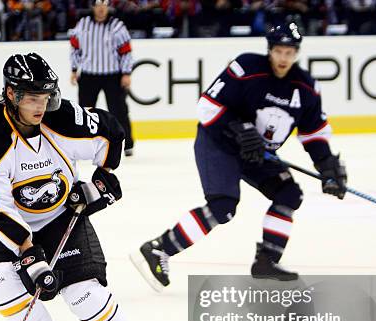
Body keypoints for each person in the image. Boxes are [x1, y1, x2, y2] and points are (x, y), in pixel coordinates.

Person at [0, 52, 160, 321]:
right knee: (0, 284)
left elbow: (112, 132)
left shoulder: (62, 117)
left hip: (58, 218)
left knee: (83, 295)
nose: (42, 105)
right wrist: (28, 252)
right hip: (0, 225)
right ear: (11, 94)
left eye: (46, 96)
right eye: (33, 97)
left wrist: (102, 179)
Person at [131, 23, 347, 290]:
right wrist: (240, 128)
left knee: (289, 194)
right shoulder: (247, 68)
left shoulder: (306, 88)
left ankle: (266, 262)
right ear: (270, 49)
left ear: (296, 53)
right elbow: (207, 106)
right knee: (223, 206)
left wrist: (328, 167)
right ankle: (159, 248)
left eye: (289, 52)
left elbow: (313, 133)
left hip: (257, 154)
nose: (283, 58)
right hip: (219, 143)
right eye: (279, 51)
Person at [69, 0, 135, 157]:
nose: (101, 9)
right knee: (84, 112)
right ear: (93, 7)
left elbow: (126, 51)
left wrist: (126, 73)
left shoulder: (117, 26)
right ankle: (83, 143)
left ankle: (127, 144)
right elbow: (75, 47)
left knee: (118, 111)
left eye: (104, 5)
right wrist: (74, 69)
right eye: (98, 5)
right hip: (89, 75)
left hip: (112, 75)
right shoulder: (83, 24)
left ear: (108, 7)